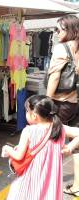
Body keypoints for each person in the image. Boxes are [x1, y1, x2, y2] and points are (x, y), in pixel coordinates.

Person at [1, 95, 79, 200]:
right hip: (51, 180)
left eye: (27, 111)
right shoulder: (59, 128)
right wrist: (70, 147)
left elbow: (19, 156)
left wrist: (7, 149)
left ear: (34, 115)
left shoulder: (29, 131)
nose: (26, 114)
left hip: (31, 178)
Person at [46, 15, 79, 196]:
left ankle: (49, 185)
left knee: (51, 142)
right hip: (76, 103)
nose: (57, 33)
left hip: (61, 103)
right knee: (76, 146)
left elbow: (55, 77)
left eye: (60, 29)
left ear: (70, 30)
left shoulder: (61, 48)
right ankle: (76, 186)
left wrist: (46, 102)